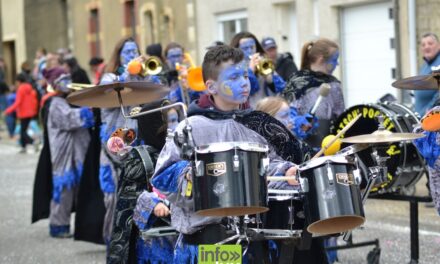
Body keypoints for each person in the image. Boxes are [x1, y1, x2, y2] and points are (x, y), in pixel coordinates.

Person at [151, 45, 308, 263]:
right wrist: (194, 175)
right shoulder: (190, 128)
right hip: (206, 240)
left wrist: (285, 170)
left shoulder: (256, 125)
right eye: (234, 77)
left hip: (255, 238)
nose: (244, 82)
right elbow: (162, 176)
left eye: (245, 75)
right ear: (211, 87)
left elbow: (266, 166)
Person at [108, 99, 178, 264]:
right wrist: (152, 203)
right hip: (158, 239)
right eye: (172, 121)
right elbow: (128, 198)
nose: (178, 125)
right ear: (156, 125)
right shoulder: (140, 158)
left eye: (177, 119)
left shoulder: (185, 149)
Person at [99, 37, 142, 246]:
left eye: (135, 52)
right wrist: (128, 74)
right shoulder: (110, 77)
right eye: (128, 52)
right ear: (119, 55)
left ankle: (134, 244)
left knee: (138, 198)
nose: (132, 56)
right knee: (113, 199)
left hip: (138, 147)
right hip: (114, 146)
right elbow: (108, 94)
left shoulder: (141, 78)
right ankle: (112, 244)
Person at [43, 70, 94, 237]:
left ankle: (83, 225)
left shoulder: (71, 99)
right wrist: (90, 110)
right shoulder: (55, 103)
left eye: (68, 78)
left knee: (80, 189)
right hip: (63, 153)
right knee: (64, 188)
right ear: (55, 84)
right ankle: (58, 225)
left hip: (78, 150)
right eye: (63, 79)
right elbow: (69, 120)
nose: (68, 82)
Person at [282, 38, 345, 148]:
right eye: (334, 60)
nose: (337, 64)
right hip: (301, 144)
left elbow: (341, 117)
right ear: (321, 59)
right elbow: (287, 116)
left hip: (330, 143)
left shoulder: (334, 84)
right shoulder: (296, 81)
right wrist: (299, 124)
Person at [230, 32, 286, 107]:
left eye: (252, 47)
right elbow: (250, 90)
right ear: (236, 50)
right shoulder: (232, 69)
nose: (250, 51)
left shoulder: (262, 62)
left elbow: (282, 88)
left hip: (266, 110)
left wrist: (270, 79)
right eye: (245, 48)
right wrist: (250, 71)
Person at [4, 74, 38, 153]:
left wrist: (8, 110)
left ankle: (32, 142)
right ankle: (24, 147)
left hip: (23, 113)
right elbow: (34, 100)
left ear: (18, 81)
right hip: (30, 112)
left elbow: (18, 102)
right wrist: (34, 110)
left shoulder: (21, 89)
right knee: (23, 130)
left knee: (23, 131)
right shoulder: (30, 88)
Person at [414, 33, 440, 116]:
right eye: (423, 45)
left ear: (438, 45)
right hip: (421, 116)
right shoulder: (425, 65)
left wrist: (430, 109)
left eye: (430, 43)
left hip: (433, 116)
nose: (426, 47)